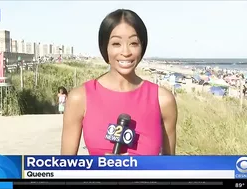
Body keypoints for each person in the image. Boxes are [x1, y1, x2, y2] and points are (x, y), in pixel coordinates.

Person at [61, 9, 178, 156]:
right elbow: (65, 168)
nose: (126, 51)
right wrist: (101, 168)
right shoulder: (80, 97)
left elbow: (169, 169)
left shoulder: (163, 100)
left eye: (133, 43)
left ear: (142, 46)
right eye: (116, 43)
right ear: (105, 47)